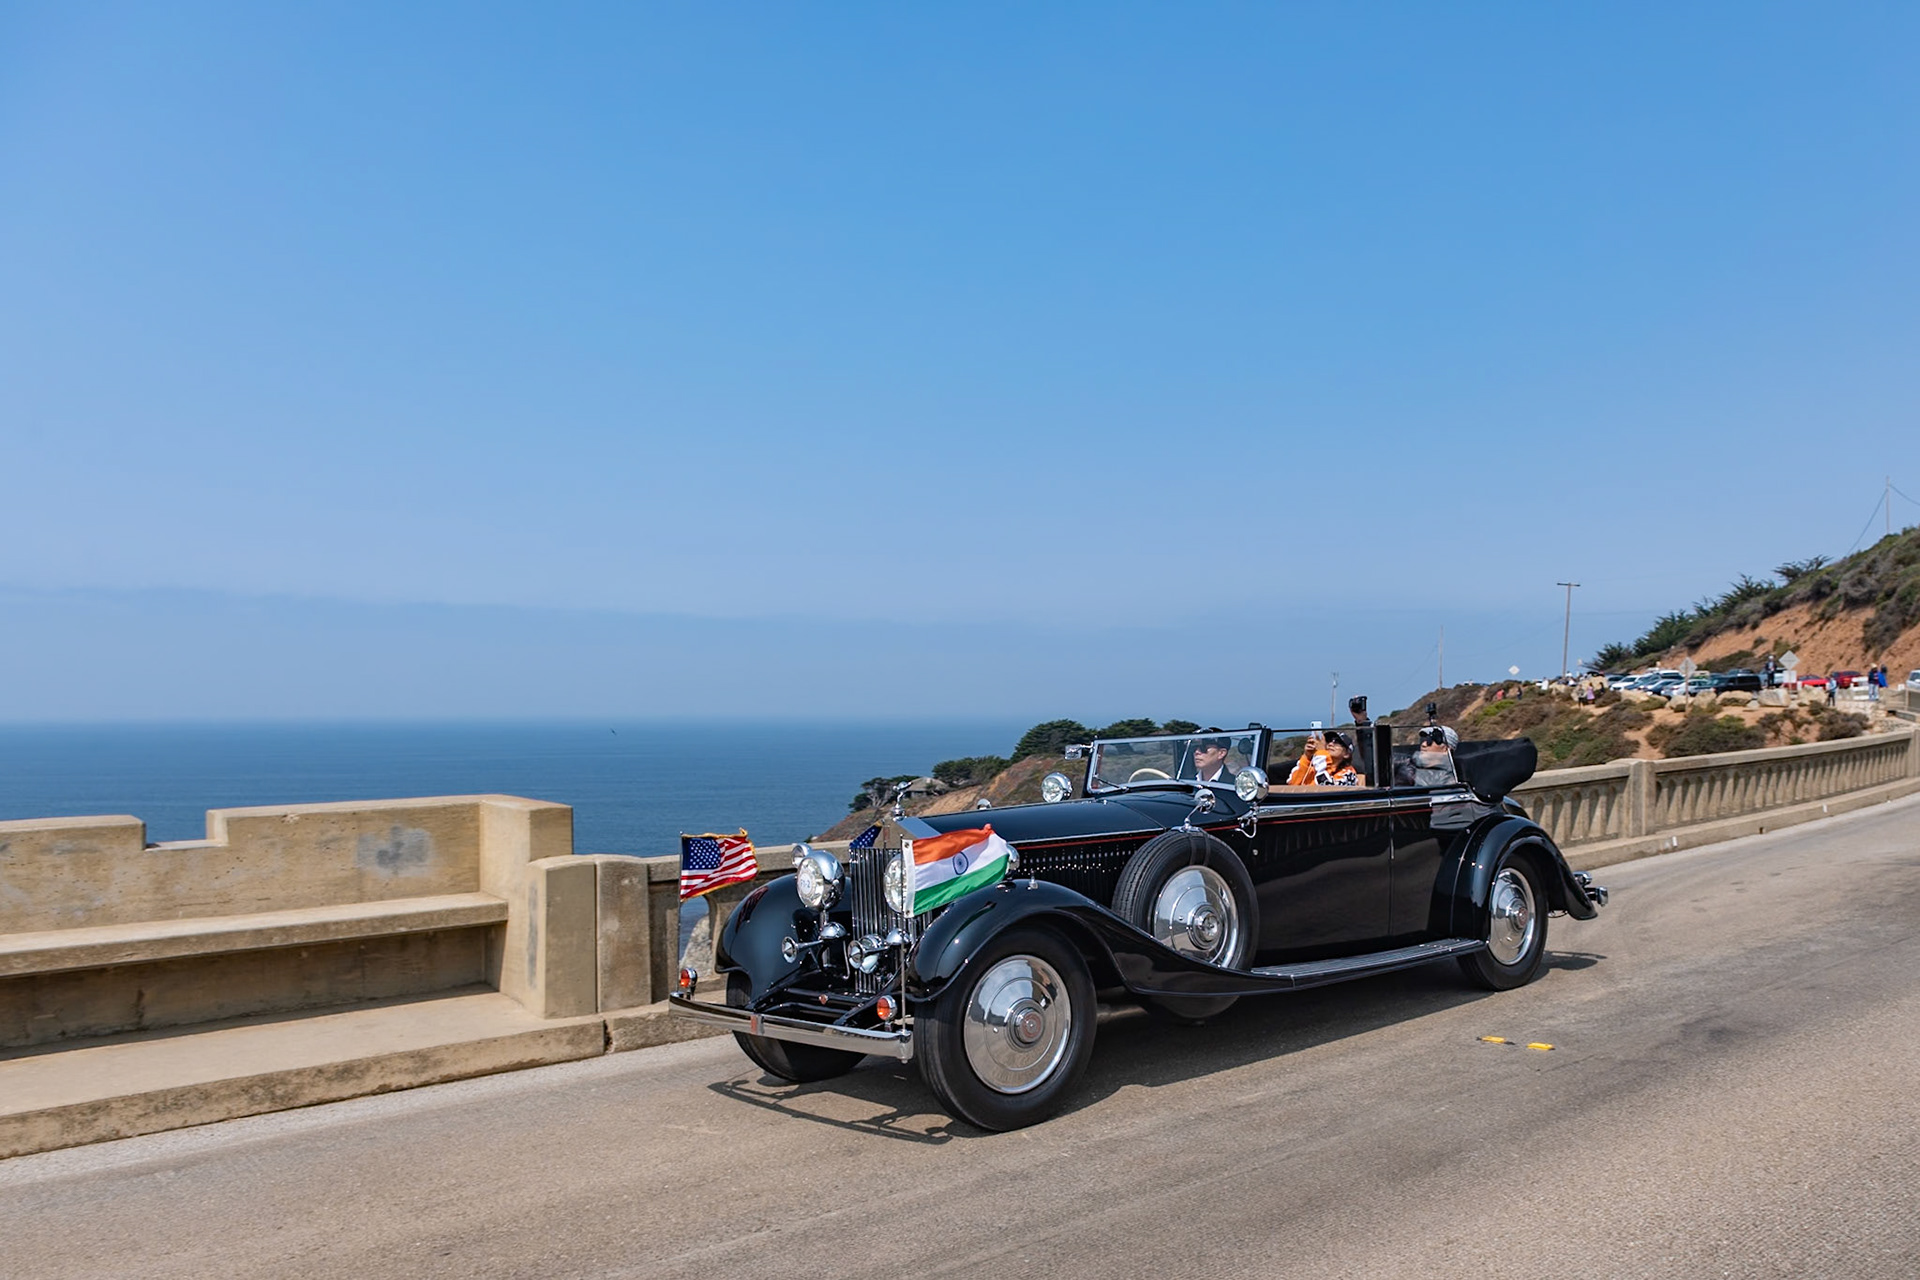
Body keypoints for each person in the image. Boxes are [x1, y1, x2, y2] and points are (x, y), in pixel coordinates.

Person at [1287, 730, 1360, 786]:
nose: (1331, 744)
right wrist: (1307, 757)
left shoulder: (1349, 774)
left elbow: (1325, 786)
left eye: (1337, 742)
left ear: (1347, 754)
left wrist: (1321, 753)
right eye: (1328, 741)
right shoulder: (1314, 767)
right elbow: (1293, 783)